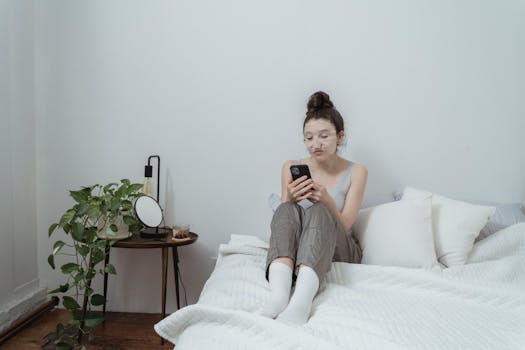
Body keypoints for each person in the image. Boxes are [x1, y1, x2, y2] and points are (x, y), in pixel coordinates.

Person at [259, 91, 367, 325]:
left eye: (323, 136)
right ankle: (279, 298)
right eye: (308, 138)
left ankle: (300, 304)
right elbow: (286, 221)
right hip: (300, 247)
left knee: (319, 210)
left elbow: (346, 224)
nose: (315, 144)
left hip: (340, 248)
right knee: (286, 209)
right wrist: (289, 198)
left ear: (340, 137)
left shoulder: (357, 171)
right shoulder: (291, 166)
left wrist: (326, 199)